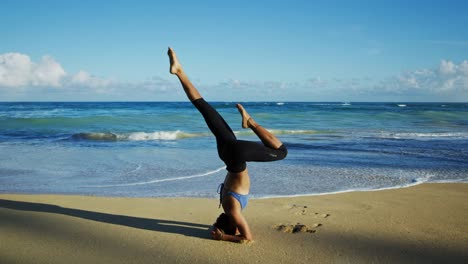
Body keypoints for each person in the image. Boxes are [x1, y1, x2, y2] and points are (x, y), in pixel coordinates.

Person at [168, 47, 287, 242]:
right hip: (225, 154)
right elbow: (239, 232)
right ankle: (179, 72)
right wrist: (225, 231)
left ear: (233, 225)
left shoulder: (233, 211)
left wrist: (224, 237)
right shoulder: (226, 205)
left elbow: (247, 239)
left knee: (282, 152)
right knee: (204, 107)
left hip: (236, 156)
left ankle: (251, 123)